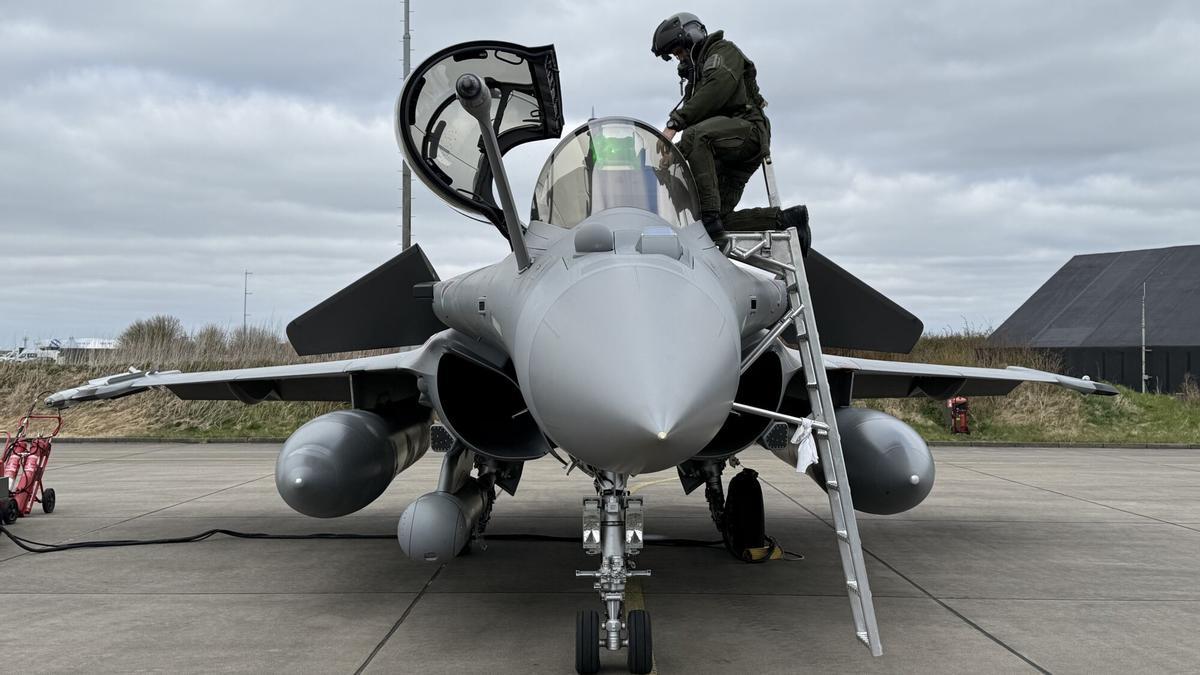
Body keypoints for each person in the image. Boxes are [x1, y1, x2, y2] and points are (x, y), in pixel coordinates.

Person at [652, 12, 809, 251]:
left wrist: (674, 124)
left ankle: (710, 218)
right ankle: (788, 220)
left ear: (692, 37)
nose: (680, 58)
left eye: (680, 51)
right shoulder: (697, 79)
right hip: (724, 152)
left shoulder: (723, 52)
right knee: (714, 222)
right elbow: (697, 131)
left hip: (748, 131)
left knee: (696, 138)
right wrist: (672, 156)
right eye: (675, 55)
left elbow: (716, 91)